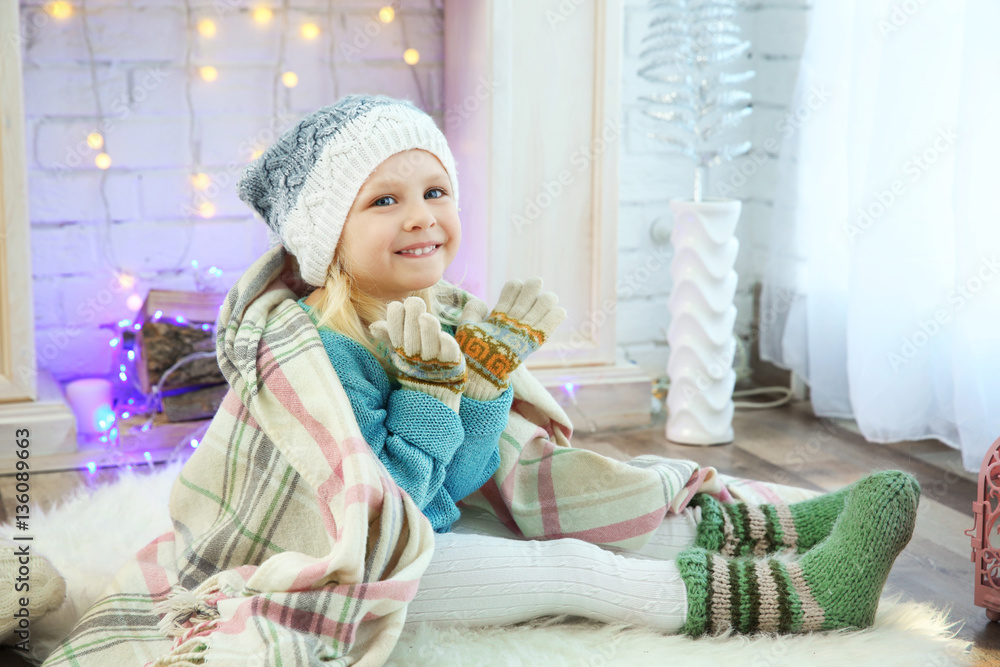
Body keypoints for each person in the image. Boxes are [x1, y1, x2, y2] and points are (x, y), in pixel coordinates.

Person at [235, 93, 920, 637]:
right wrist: (427, 392)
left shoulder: (435, 312)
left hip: (430, 523)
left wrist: (482, 378)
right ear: (327, 239)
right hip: (362, 569)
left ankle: (771, 529)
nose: (421, 217)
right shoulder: (321, 354)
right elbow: (390, 511)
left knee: (561, 499)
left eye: (435, 191)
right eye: (384, 200)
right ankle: (795, 598)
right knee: (569, 565)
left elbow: (466, 475)